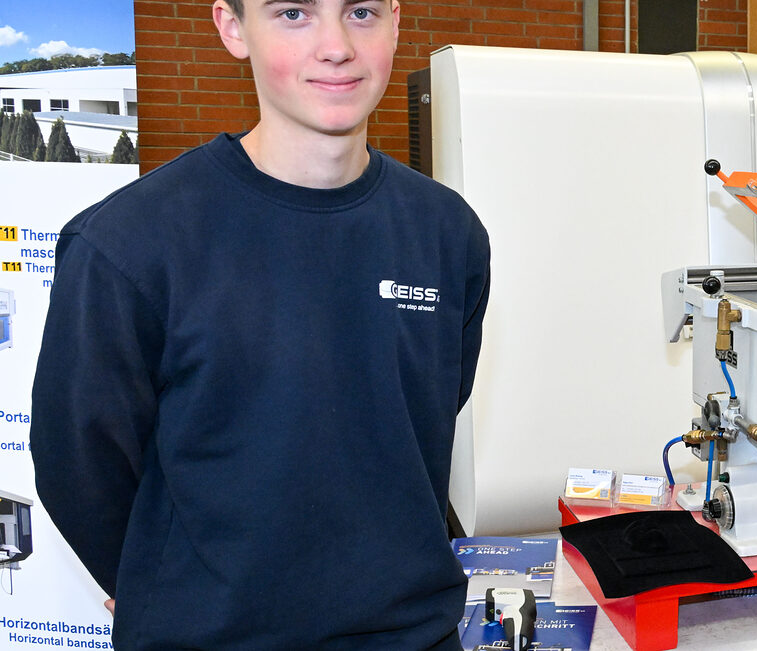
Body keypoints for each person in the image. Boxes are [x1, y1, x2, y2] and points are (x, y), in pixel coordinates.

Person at [30, 0, 490, 648]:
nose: (335, 46)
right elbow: (80, 471)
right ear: (231, 27)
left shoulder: (448, 236)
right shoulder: (129, 246)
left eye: (360, 12)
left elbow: (427, 419)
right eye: (294, 14)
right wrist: (172, 586)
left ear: (395, 18)